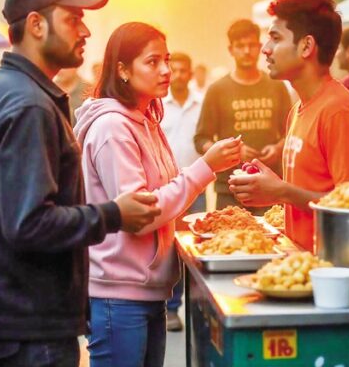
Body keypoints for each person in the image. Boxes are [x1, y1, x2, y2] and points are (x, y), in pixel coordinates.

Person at [0, 0, 162, 367]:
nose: (84, 32)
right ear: (35, 24)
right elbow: (28, 223)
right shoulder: (27, 104)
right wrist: (113, 214)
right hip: (28, 332)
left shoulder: (3, 88)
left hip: (16, 323)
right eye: (72, 19)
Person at [73, 22, 242, 367]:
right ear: (122, 69)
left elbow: (163, 189)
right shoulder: (113, 128)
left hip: (146, 290)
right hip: (118, 295)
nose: (165, 70)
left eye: (165, 59)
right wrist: (205, 167)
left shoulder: (145, 120)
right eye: (152, 62)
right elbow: (140, 213)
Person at [228, 0, 349, 252]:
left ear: (306, 47)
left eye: (275, 38)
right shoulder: (298, 108)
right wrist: (274, 187)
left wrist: (282, 191)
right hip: (300, 263)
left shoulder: (339, 111)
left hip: (331, 271)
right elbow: (309, 192)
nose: (265, 49)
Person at [194, 19, 292, 212]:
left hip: (270, 187)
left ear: (259, 46)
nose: (247, 51)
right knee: (231, 241)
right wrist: (232, 152)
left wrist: (279, 147)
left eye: (251, 45)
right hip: (231, 188)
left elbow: (292, 132)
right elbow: (201, 140)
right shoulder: (218, 90)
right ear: (231, 50)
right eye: (240, 46)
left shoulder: (277, 86)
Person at [159, 52, 203, 332]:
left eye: (184, 69)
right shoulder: (157, 103)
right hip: (166, 187)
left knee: (196, 249)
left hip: (196, 185)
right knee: (170, 251)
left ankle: (199, 307)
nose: (179, 74)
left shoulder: (202, 101)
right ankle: (172, 308)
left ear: (190, 73)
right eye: (173, 69)